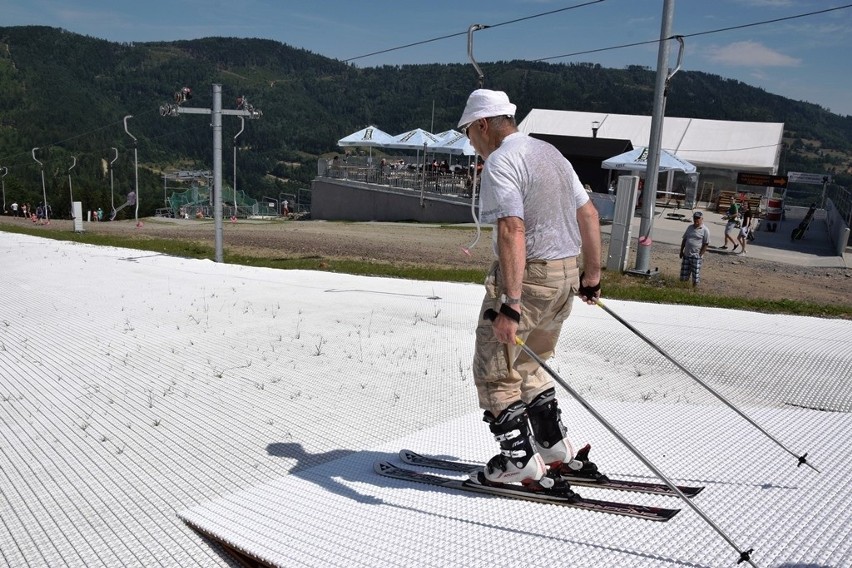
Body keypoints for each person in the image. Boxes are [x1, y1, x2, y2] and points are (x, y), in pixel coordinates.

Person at [458, 89, 602, 486]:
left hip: (531, 277)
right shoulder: (549, 152)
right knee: (531, 361)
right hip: (566, 275)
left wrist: (510, 303)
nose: (470, 142)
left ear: (483, 124)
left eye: (469, 132)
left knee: (495, 371)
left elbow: (512, 229)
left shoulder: (502, 161)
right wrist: (592, 277)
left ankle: (518, 462)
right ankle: (553, 447)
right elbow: (588, 213)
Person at [680, 211, 711, 286]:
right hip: (686, 254)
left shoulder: (705, 230)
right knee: (684, 274)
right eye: (695, 218)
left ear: (702, 219)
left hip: (696, 256)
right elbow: (684, 239)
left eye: (698, 218)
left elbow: (706, 244)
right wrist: (681, 251)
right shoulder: (690, 227)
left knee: (695, 275)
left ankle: (694, 289)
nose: (696, 220)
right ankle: (682, 288)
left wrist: (700, 255)